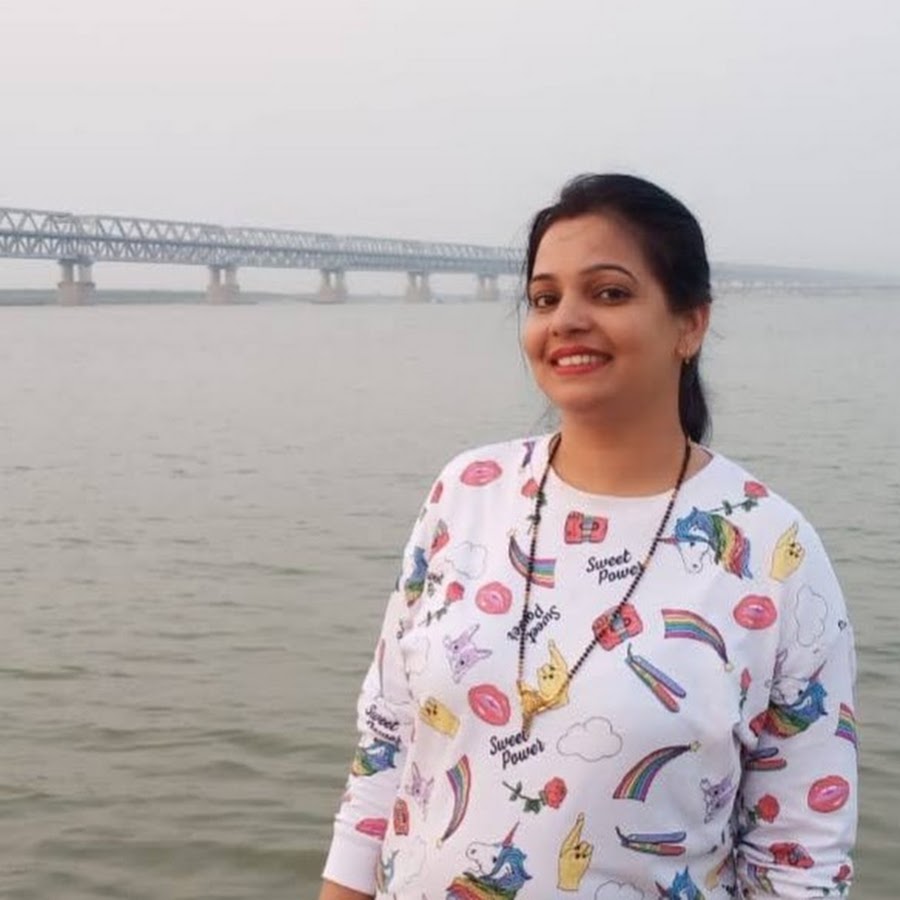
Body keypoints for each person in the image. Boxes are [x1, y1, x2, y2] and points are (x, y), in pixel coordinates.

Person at [319, 174, 858, 899]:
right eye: (545, 299)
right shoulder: (466, 492)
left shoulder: (771, 549)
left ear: (690, 325)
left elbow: (798, 858)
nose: (566, 320)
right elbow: (384, 751)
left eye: (608, 293)